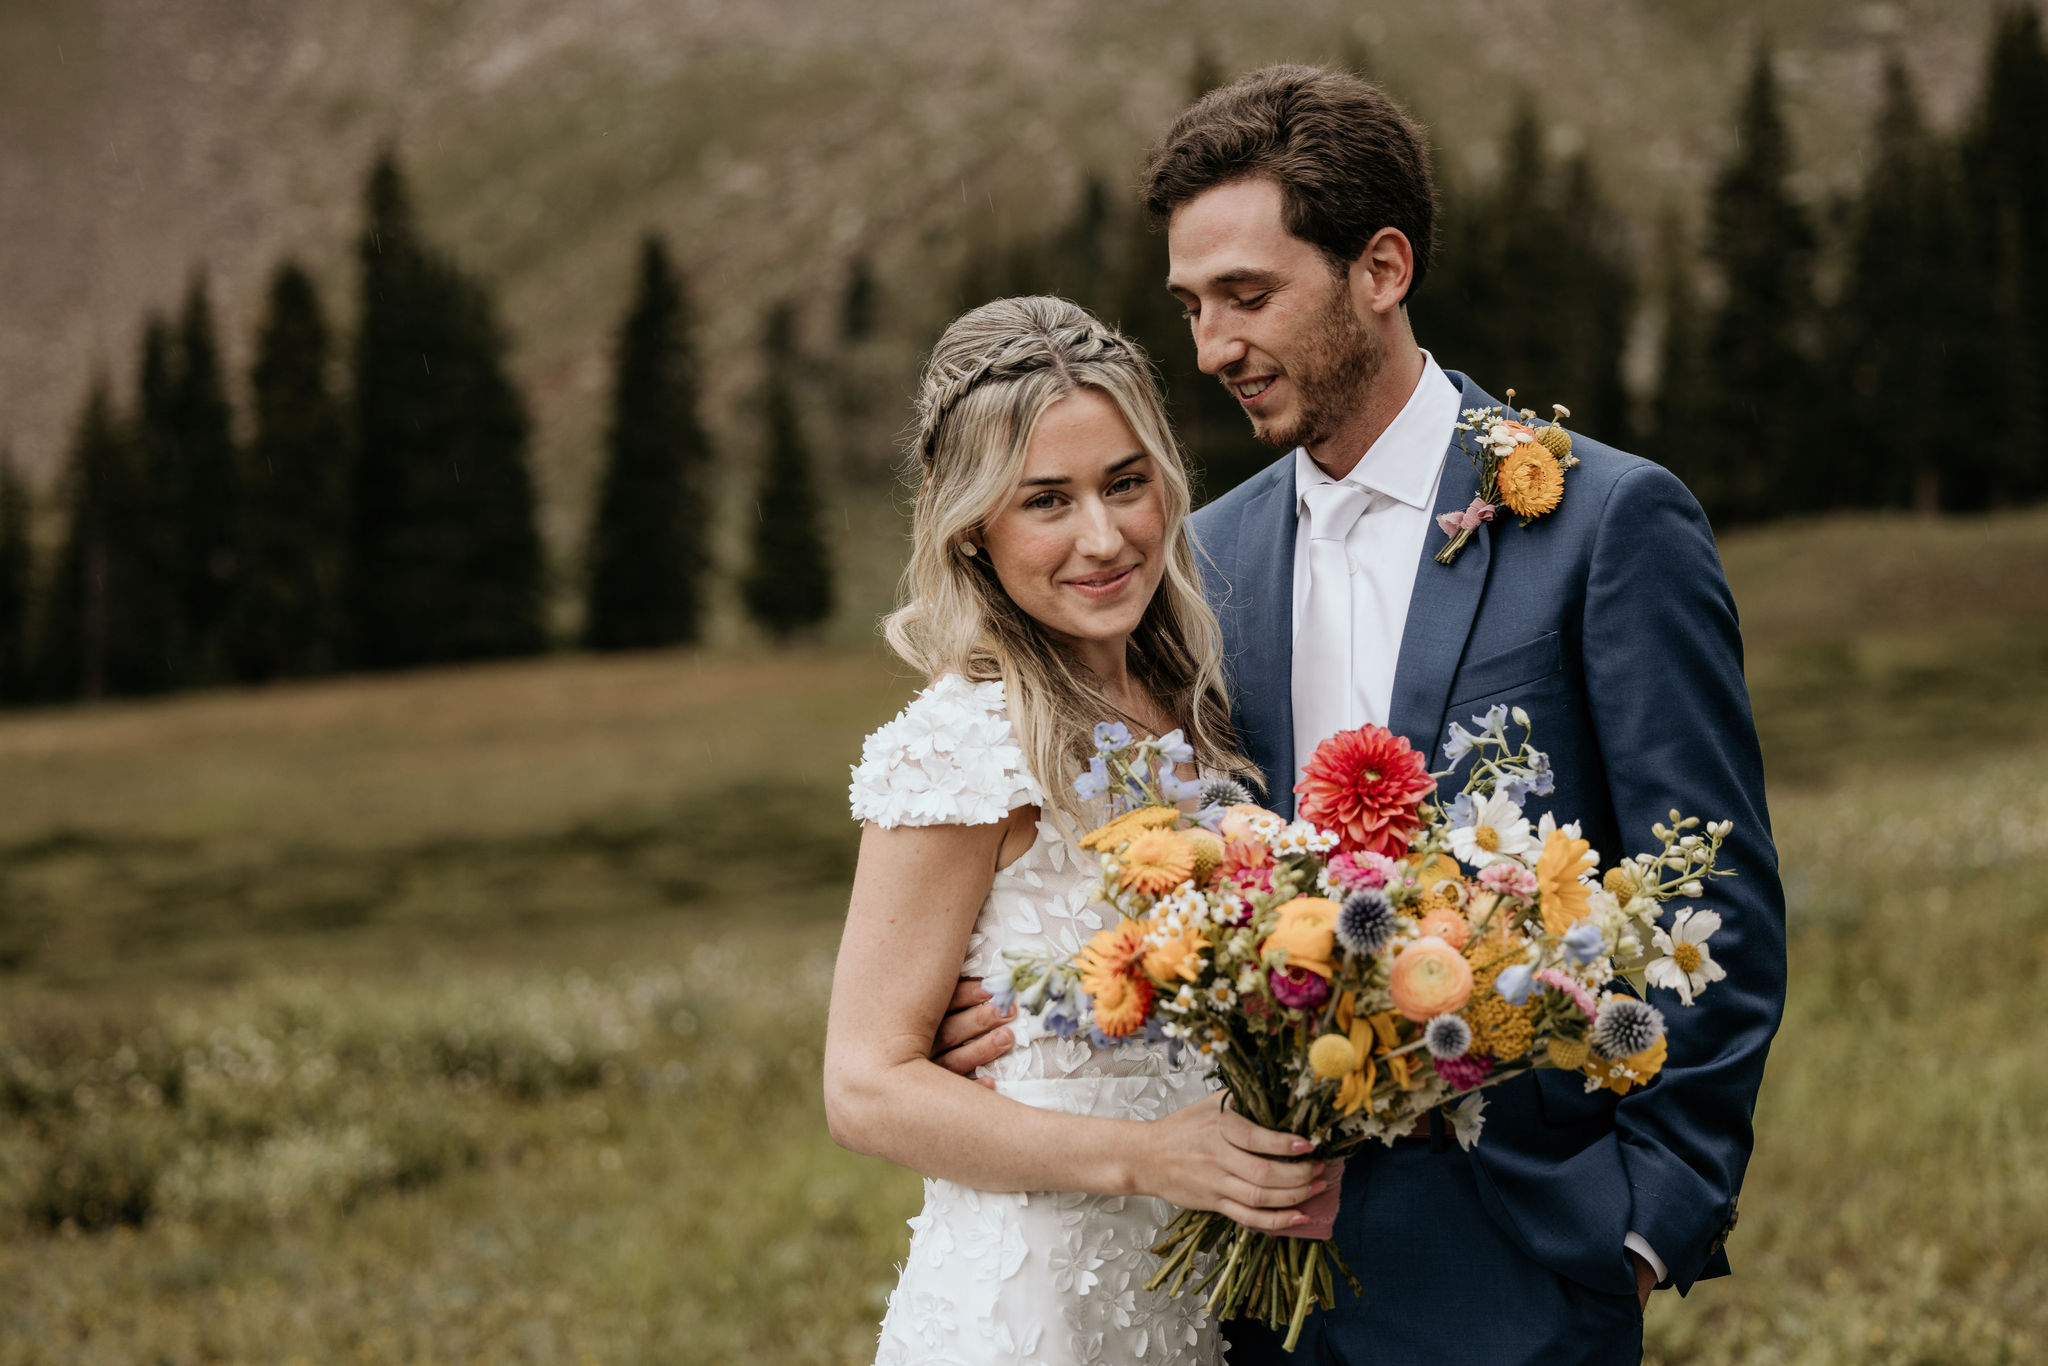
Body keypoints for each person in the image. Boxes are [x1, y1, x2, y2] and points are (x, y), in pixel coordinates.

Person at [941, 65, 1787, 1366]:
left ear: (1380, 270)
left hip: (1520, 1261)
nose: (1213, 346)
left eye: (1248, 295)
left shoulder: (1606, 523)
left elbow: (1712, 886)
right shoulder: (1198, 562)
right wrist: (1014, 999)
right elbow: (1147, 848)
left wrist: (1642, 1220)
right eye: (1191, 305)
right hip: (1244, 1270)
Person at [823, 295, 1325, 1366]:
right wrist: (1145, 1156)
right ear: (970, 525)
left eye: (1124, 483)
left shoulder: (1185, 692)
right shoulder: (962, 742)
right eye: (1044, 500)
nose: (1103, 538)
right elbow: (863, 1086)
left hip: (1185, 1304)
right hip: (1031, 1313)